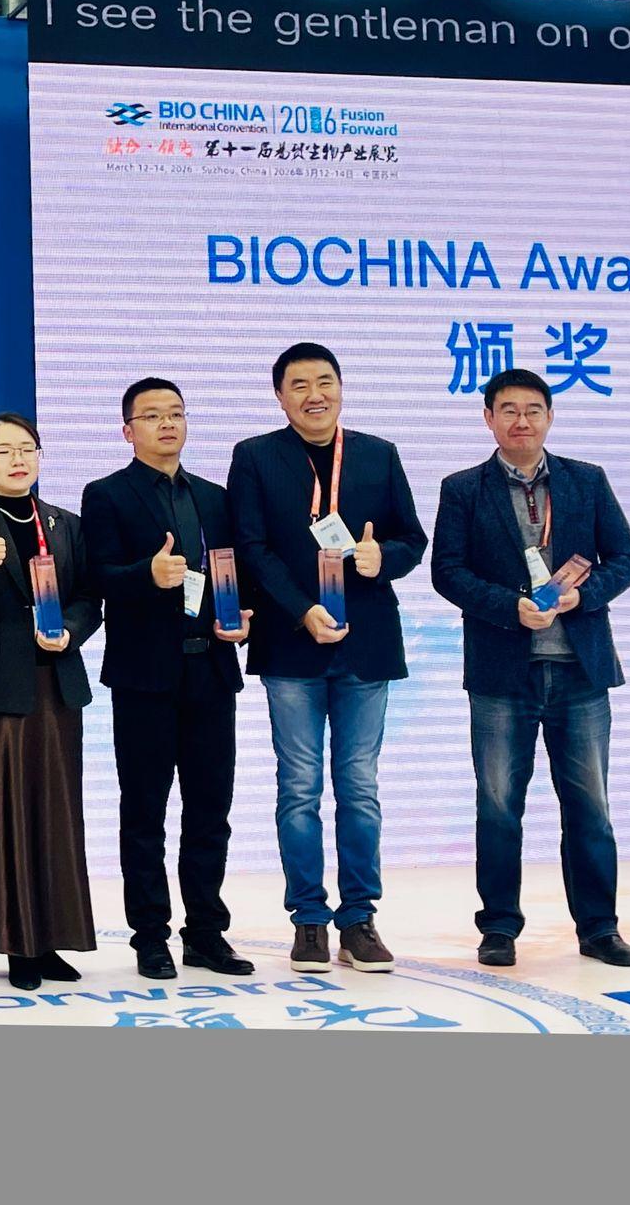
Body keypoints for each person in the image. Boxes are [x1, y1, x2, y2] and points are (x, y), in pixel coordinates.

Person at [430, 368, 630, 969]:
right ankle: (499, 927)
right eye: (508, 410)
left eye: (532, 410)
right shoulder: (463, 488)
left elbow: (627, 559)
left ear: (549, 417)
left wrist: (583, 595)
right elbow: (447, 571)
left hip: (580, 672)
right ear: (488, 418)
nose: (520, 421)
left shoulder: (586, 480)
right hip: (503, 673)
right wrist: (509, 607)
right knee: (499, 806)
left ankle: (599, 929)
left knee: (590, 806)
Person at [227, 343, 427, 974]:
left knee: (360, 787)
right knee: (299, 786)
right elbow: (251, 547)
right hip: (292, 645)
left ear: (340, 387)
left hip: (366, 643)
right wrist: (300, 610)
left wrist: (381, 559)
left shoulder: (378, 454)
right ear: (279, 396)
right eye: (299, 385)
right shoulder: (255, 456)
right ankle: (309, 920)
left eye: (325, 382)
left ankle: (359, 919)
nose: (314, 395)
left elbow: (412, 539)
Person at [82, 377, 255, 981]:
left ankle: (206, 932)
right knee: (144, 811)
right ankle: (149, 936)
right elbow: (97, 576)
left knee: (210, 810)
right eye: (152, 415)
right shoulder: (107, 494)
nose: (167, 424)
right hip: (144, 678)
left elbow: (235, 573)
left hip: (211, 669)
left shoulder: (214, 496)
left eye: (176, 413)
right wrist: (146, 575)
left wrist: (242, 617)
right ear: (128, 430)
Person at [0, 412, 101, 992]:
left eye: (27, 448)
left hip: (56, 681)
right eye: (3, 451)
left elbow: (89, 598)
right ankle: (16, 942)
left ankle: (51, 939)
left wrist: (69, 632)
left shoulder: (65, 524)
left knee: (56, 812)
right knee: (4, 814)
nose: (18, 459)